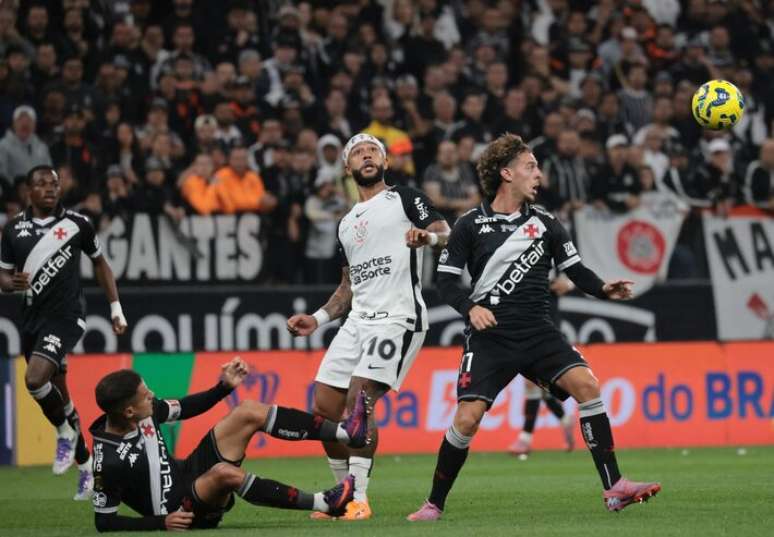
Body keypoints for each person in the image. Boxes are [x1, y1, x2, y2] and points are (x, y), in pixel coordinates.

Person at [407, 134, 660, 521]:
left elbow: (575, 270)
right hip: (491, 338)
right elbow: (445, 281)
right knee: (467, 418)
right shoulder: (470, 224)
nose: (538, 174)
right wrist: (470, 308)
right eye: (530, 166)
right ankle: (433, 504)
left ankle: (614, 488)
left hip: (539, 332)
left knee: (589, 386)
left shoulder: (546, 222)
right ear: (507, 174)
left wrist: (604, 289)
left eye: (537, 167)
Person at [287, 133, 451, 520]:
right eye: (357, 153)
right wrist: (318, 318)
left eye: (372, 150)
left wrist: (426, 236)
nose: (366, 156)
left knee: (359, 400)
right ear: (347, 168)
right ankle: (340, 495)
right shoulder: (346, 224)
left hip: (398, 316)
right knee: (324, 407)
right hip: (358, 320)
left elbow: (448, 232)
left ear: (385, 161)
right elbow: (347, 287)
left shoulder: (405, 198)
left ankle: (359, 497)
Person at [90, 357, 370, 532]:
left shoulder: (143, 412)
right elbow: (105, 522)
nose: (152, 395)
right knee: (224, 472)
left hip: (187, 474)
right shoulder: (107, 462)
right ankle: (324, 503)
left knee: (248, 411)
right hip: (180, 510)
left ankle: (347, 432)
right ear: (128, 411)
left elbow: (185, 408)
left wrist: (223, 387)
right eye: (145, 394)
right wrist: (160, 523)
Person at [0, 165, 128, 500]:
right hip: (32, 321)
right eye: (41, 184)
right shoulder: (13, 229)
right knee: (62, 399)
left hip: (67, 317)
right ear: (29, 191)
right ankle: (86, 467)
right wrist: (10, 284)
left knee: (33, 379)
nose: (49, 189)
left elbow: (101, 264)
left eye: (54, 184)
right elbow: (3, 276)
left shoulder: (77, 224)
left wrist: (115, 308)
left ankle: (63, 434)